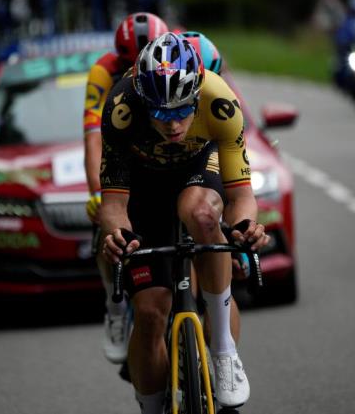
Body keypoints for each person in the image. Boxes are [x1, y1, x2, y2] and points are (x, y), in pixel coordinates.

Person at [100, 32, 271, 412]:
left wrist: (244, 227)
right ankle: (149, 405)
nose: (173, 124)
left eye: (182, 111)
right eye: (161, 113)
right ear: (144, 100)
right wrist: (118, 233)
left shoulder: (221, 100)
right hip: (145, 185)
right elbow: (113, 203)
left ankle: (224, 352)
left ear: (196, 94)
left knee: (203, 214)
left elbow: (241, 195)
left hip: (198, 169)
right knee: (148, 311)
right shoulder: (120, 109)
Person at [83, 11, 168, 365]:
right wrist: (96, 193)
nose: (139, 70)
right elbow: (92, 140)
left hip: (164, 150)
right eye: (130, 64)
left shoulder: (178, 53)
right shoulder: (103, 72)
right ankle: (115, 305)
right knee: (108, 225)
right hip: (122, 150)